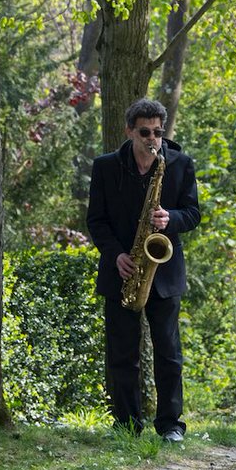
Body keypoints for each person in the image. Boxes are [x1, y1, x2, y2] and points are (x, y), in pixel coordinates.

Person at [87, 98, 200, 442]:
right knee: (122, 354)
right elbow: (96, 220)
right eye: (145, 132)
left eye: (158, 132)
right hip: (122, 270)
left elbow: (193, 214)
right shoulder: (106, 167)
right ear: (129, 131)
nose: (153, 139)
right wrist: (116, 254)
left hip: (163, 276)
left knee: (169, 353)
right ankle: (127, 426)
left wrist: (171, 218)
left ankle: (170, 426)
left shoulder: (179, 164)